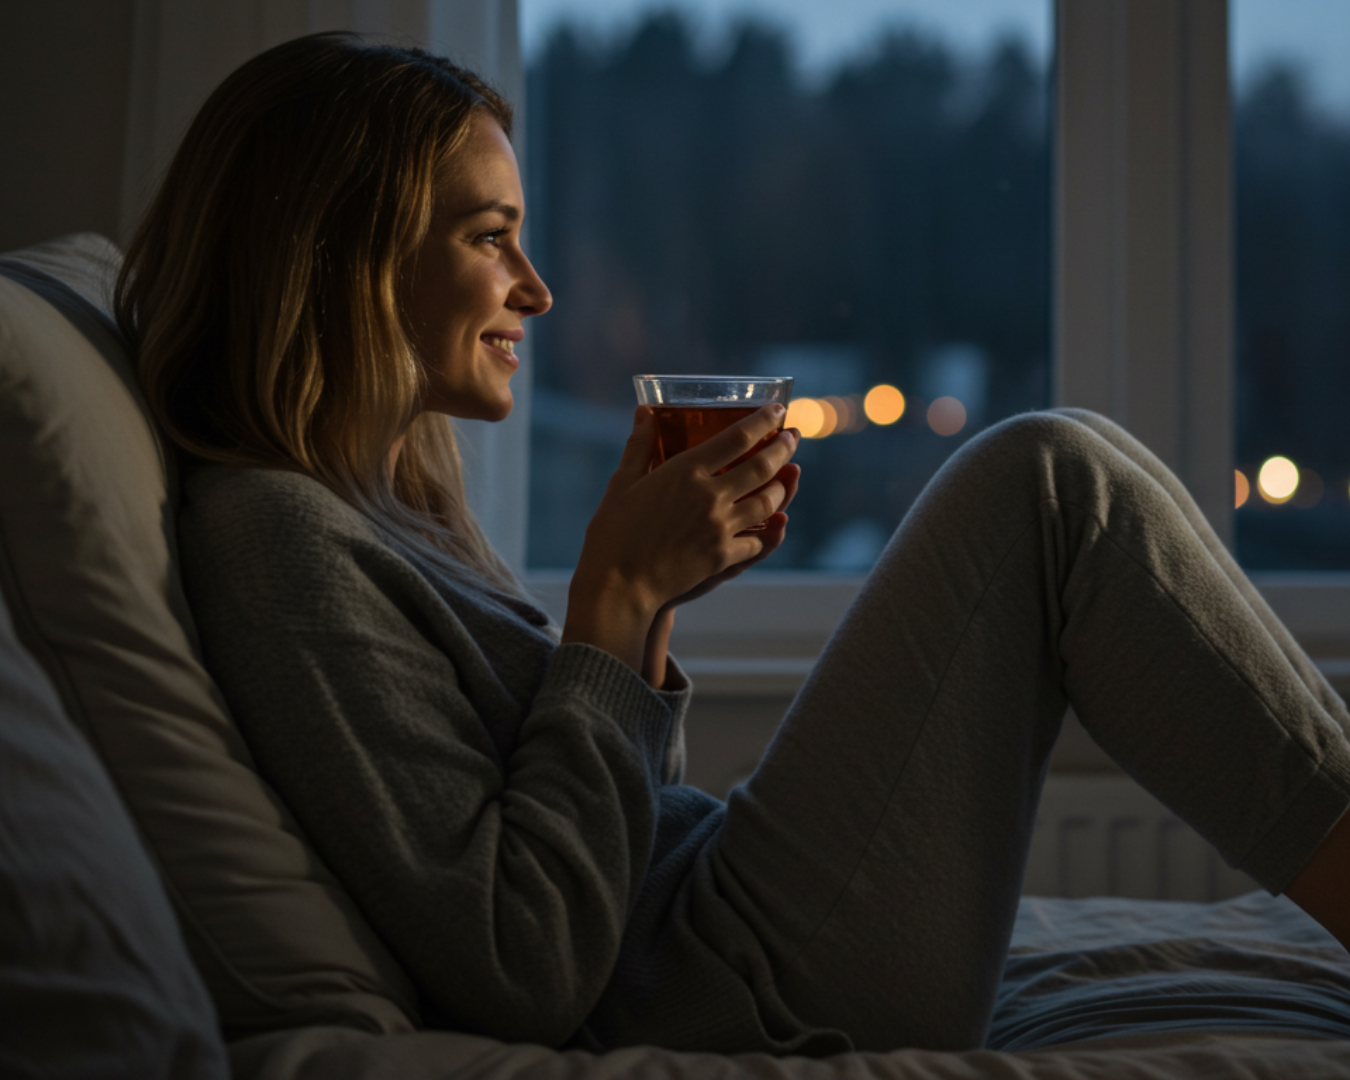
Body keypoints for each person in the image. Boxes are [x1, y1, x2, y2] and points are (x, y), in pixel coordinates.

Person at [115, 31, 1350, 1056]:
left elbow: (603, 823)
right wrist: (613, 595)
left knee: (1074, 464)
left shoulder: (384, 503)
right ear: (342, 253)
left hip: (714, 921)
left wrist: (649, 608)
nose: (535, 290)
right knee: (1050, 481)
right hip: (734, 985)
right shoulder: (275, 538)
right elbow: (523, 962)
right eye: (489, 238)